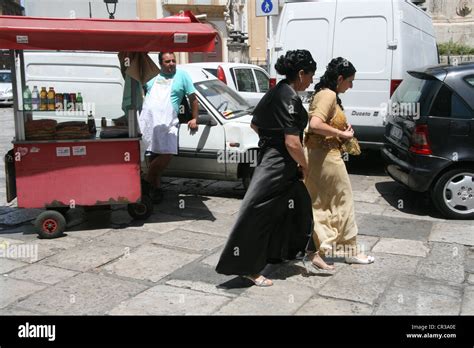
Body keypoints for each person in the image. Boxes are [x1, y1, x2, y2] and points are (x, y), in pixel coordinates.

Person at [215, 50, 317, 287]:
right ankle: (247, 267)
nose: (311, 80)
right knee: (256, 212)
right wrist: (305, 164)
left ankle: (291, 253)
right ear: (301, 73)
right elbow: (292, 142)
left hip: (275, 158)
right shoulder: (289, 97)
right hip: (278, 164)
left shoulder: (276, 91)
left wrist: (271, 141)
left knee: (298, 207)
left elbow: (255, 123)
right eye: (310, 75)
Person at [304, 57, 375, 270]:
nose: (351, 86)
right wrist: (341, 133)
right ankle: (350, 251)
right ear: (340, 78)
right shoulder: (329, 94)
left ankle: (318, 249)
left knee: (322, 203)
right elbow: (315, 124)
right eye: (350, 81)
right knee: (343, 202)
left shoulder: (322, 93)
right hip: (327, 157)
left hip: (317, 156)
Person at [139, 52, 199, 202]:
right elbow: (142, 93)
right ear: (161, 64)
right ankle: (155, 190)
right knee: (154, 155)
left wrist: (194, 118)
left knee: (167, 153)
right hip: (150, 122)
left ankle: (145, 182)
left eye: (173, 60)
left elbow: (193, 99)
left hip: (169, 122)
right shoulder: (152, 76)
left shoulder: (182, 76)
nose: (171, 63)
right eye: (167, 61)